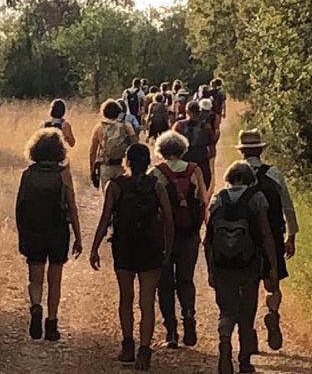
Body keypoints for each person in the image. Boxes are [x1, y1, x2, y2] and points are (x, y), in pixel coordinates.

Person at [90, 143, 174, 371]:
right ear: (148, 162)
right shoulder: (156, 186)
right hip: (151, 247)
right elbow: (168, 219)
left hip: (125, 246)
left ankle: (127, 346)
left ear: (127, 161)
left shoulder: (115, 186)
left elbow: (105, 218)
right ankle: (145, 351)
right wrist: (168, 248)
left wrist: (95, 247)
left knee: (125, 297)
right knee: (147, 301)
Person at [205, 162, 279, 374]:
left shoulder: (218, 198)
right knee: (247, 311)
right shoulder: (257, 199)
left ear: (230, 177)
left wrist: (211, 269)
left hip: (221, 266)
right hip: (249, 265)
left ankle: (225, 341)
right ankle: (245, 361)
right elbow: (266, 235)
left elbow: (209, 239)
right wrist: (272, 266)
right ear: (248, 179)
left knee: (226, 309)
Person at [15, 128, 82, 342]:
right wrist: (78, 237)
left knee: (35, 280)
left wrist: (22, 234)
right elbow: (71, 207)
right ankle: (51, 323)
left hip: (34, 231)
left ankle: (36, 307)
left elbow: (20, 206)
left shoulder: (28, 175)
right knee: (55, 280)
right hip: (57, 232)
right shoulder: (63, 175)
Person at [236, 129, 299, 351]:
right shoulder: (274, 173)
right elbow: (287, 205)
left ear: (242, 151)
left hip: (245, 241)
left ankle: (249, 334)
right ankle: (272, 312)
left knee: (248, 288)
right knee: (272, 283)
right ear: (260, 151)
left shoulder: (235, 174)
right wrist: (291, 235)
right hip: (273, 235)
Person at [151, 131, 209, 349]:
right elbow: (203, 201)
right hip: (189, 234)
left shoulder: (156, 172)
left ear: (162, 150)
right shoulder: (194, 170)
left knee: (164, 284)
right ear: (183, 149)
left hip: (164, 237)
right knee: (186, 280)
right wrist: (201, 229)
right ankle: (188, 315)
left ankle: (171, 331)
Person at [89, 99, 137, 191]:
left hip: (106, 166)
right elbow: (135, 146)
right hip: (122, 166)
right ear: (119, 112)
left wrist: (92, 170)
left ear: (103, 112)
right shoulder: (126, 126)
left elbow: (93, 151)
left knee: (107, 196)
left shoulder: (99, 127)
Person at [173, 100, 216, 190]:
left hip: (184, 162)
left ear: (187, 111)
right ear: (199, 112)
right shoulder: (206, 127)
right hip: (201, 160)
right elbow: (212, 151)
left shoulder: (178, 126)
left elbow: (172, 146)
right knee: (205, 182)